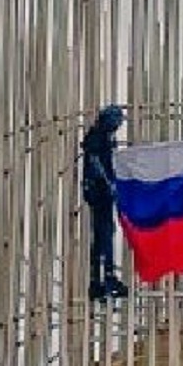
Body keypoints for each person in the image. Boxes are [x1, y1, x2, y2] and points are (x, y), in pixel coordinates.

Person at [81, 105, 128, 301]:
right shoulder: (97, 136)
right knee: (105, 233)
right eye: (116, 121)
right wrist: (108, 184)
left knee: (103, 235)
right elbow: (95, 161)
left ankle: (99, 279)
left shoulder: (104, 136)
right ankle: (105, 277)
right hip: (98, 191)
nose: (118, 125)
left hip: (100, 191)